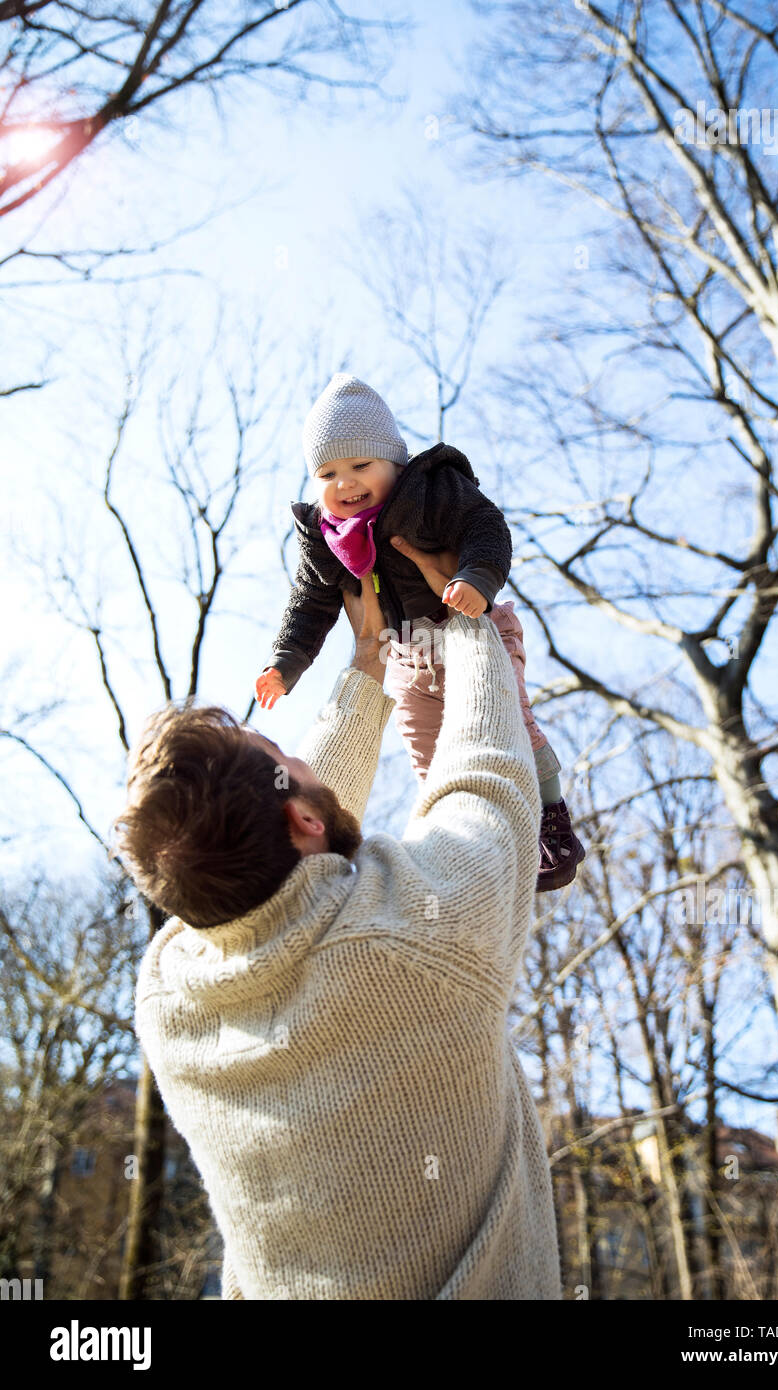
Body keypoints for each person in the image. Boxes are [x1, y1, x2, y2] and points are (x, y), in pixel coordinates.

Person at [117, 541, 563, 1300]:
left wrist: (367, 664)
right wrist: (470, 621)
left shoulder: (169, 999)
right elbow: (487, 783)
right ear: (300, 814)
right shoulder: (419, 943)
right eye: (285, 753)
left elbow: (286, 864)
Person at [255, 373, 583, 892]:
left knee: (507, 721)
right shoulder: (325, 540)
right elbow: (310, 604)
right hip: (406, 657)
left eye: (361, 466)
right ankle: (453, 838)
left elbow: (485, 526)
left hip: (472, 627)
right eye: (327, 473)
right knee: (425, 749)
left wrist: (475, 577)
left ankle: (550, 818)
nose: (345, 483)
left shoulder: (429, 491)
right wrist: (285, 661)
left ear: (395, 462)